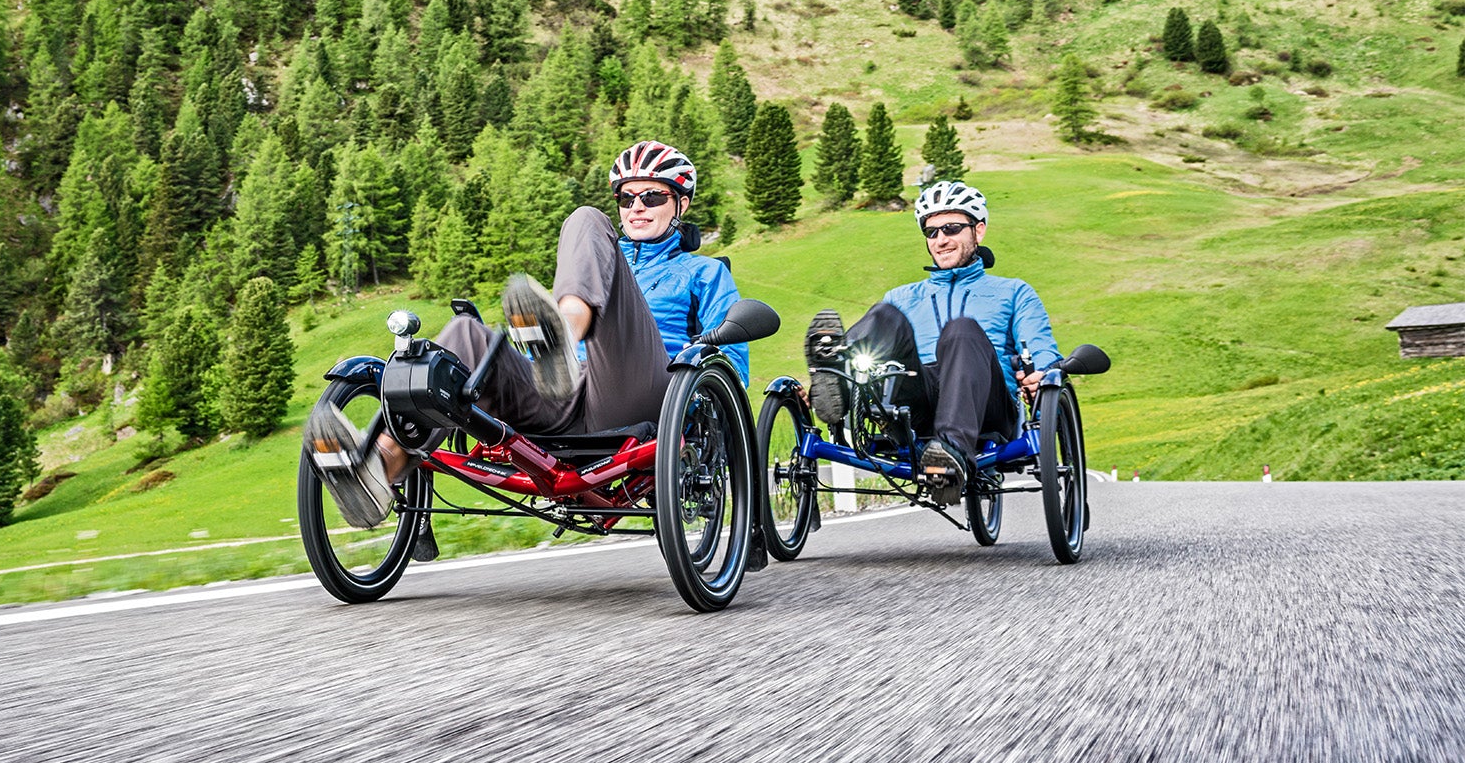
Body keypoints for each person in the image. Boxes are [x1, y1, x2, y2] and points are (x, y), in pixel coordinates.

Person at [306, 140, 747, 531]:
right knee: (464, 336)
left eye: (652, 195)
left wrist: (698, 367)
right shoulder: (604, 258)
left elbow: (734, 371)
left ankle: (562, 334)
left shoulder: (702, 273)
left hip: (646, 396)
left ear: (681, 204)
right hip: (564, 397)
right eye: (627, 197)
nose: (636, 207)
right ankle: (378, 472)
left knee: (586, 219)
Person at [803, 180, 1060, 499]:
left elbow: (1041, 348)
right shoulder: (903, 296)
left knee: (962, 330)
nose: (941, 240)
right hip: (917, 399)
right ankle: (834, 373)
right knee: (886, 314)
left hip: (988, 404)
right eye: (932, 232)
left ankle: (950, 452)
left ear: (978, 231)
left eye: (951, 228)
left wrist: (1045, 372)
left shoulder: (1014, 291)